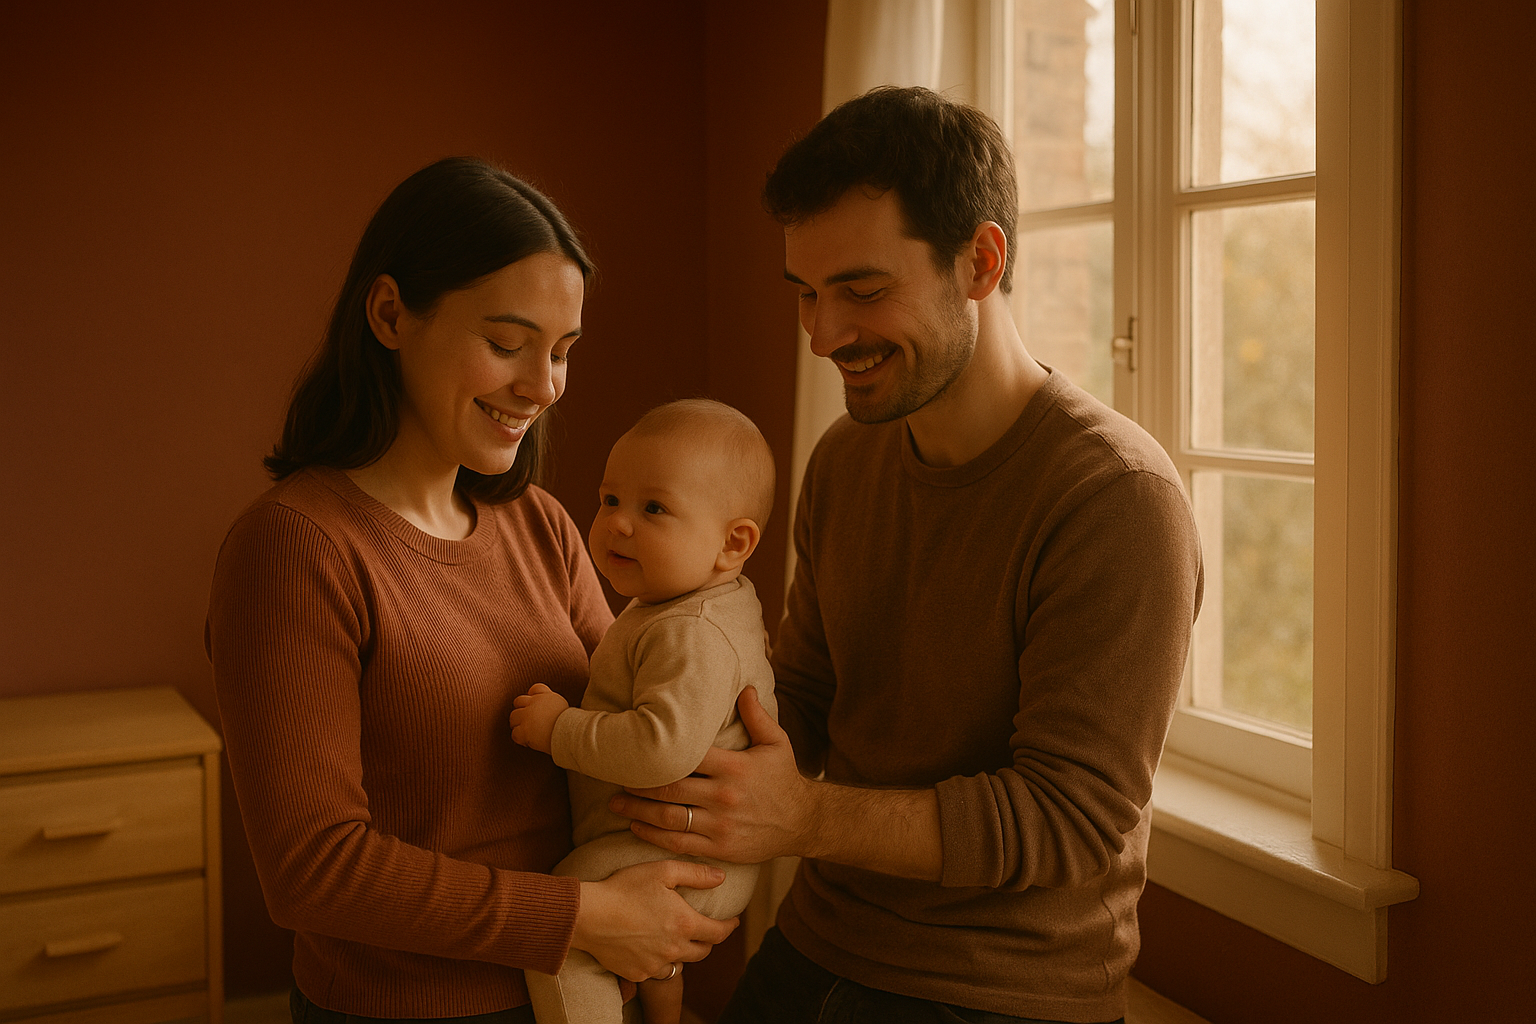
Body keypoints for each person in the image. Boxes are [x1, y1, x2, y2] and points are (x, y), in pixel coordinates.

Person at [609, 87, 1205, 1024]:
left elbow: (1069, 818)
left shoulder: (1118, 499)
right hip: (820, 941)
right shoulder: (847, 458)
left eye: (862, 289)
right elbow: (802, 695)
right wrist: (650, 713)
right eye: (806, 293)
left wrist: (803, 818)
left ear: (981, 259)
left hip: (1003, 989)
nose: (822, 335)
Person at [205, 157, 736, 1024]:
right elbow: (313, 868)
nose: (544, 386)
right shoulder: (295, 549)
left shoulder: (539, 525)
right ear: (389, 315)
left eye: (562, 352)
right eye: (506, 343)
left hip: (586, 988)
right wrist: (588, 915)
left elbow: (636, 710)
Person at [509, 398, 779, 1024]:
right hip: (684, 849)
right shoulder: (682, 601)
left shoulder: (692, 633)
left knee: (562, 927)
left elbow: (661, 749)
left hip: (687, 856)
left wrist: (559, 730)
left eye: (653, 508)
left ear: (732, 543)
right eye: (610, 500)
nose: (618, 524)